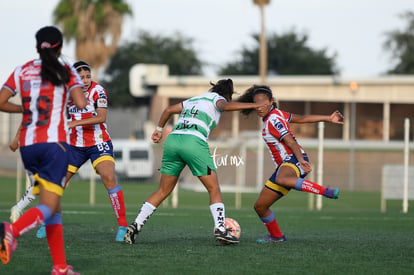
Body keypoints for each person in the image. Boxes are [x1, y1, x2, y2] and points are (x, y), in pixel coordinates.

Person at [123, 79, 266, 245]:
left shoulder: (195, 99)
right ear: (227, 94)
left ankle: (136, 225)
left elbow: (169, 110)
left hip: (173, 141)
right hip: (193, 142)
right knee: (214, 189)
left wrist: (159, 130)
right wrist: (254, 106)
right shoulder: (217, 99)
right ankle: (221, 229)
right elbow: (224, 107)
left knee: (162, 190)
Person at [10, 60, 129, 242]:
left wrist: (74, 123)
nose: (86, 80)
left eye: (88, 76)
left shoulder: (98, 91)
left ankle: (122, 227)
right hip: (73, 145)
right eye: (81, 77)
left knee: (109, 177)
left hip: (98, 142)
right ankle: (46, 223)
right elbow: (40, 114)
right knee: (56, 184)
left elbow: (101, 117)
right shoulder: (65, 94)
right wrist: (18, 137)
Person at [0, 26, 87, 275]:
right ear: (60, 47)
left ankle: (60, 267)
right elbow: (80, 103)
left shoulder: (22, 70)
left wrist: (26, 109)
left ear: (37, 46)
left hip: (28, 146)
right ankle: (11, 231)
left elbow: (1, 101)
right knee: (49, 205)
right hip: (54, 145)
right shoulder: (65, 70)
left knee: (54, 206)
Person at [238, 85, 344, 243]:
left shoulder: (273, 120)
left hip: (293, 159)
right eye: (256, 104)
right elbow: (302, 119)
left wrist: (300, 159)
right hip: (286, 164)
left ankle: (325, 191)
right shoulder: (277, 114)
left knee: (281, 179)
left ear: (271, 102)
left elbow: (289, 141)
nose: (259, 107)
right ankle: (277, 237)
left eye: (263, 103)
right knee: (260, 206)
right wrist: (327, 118)